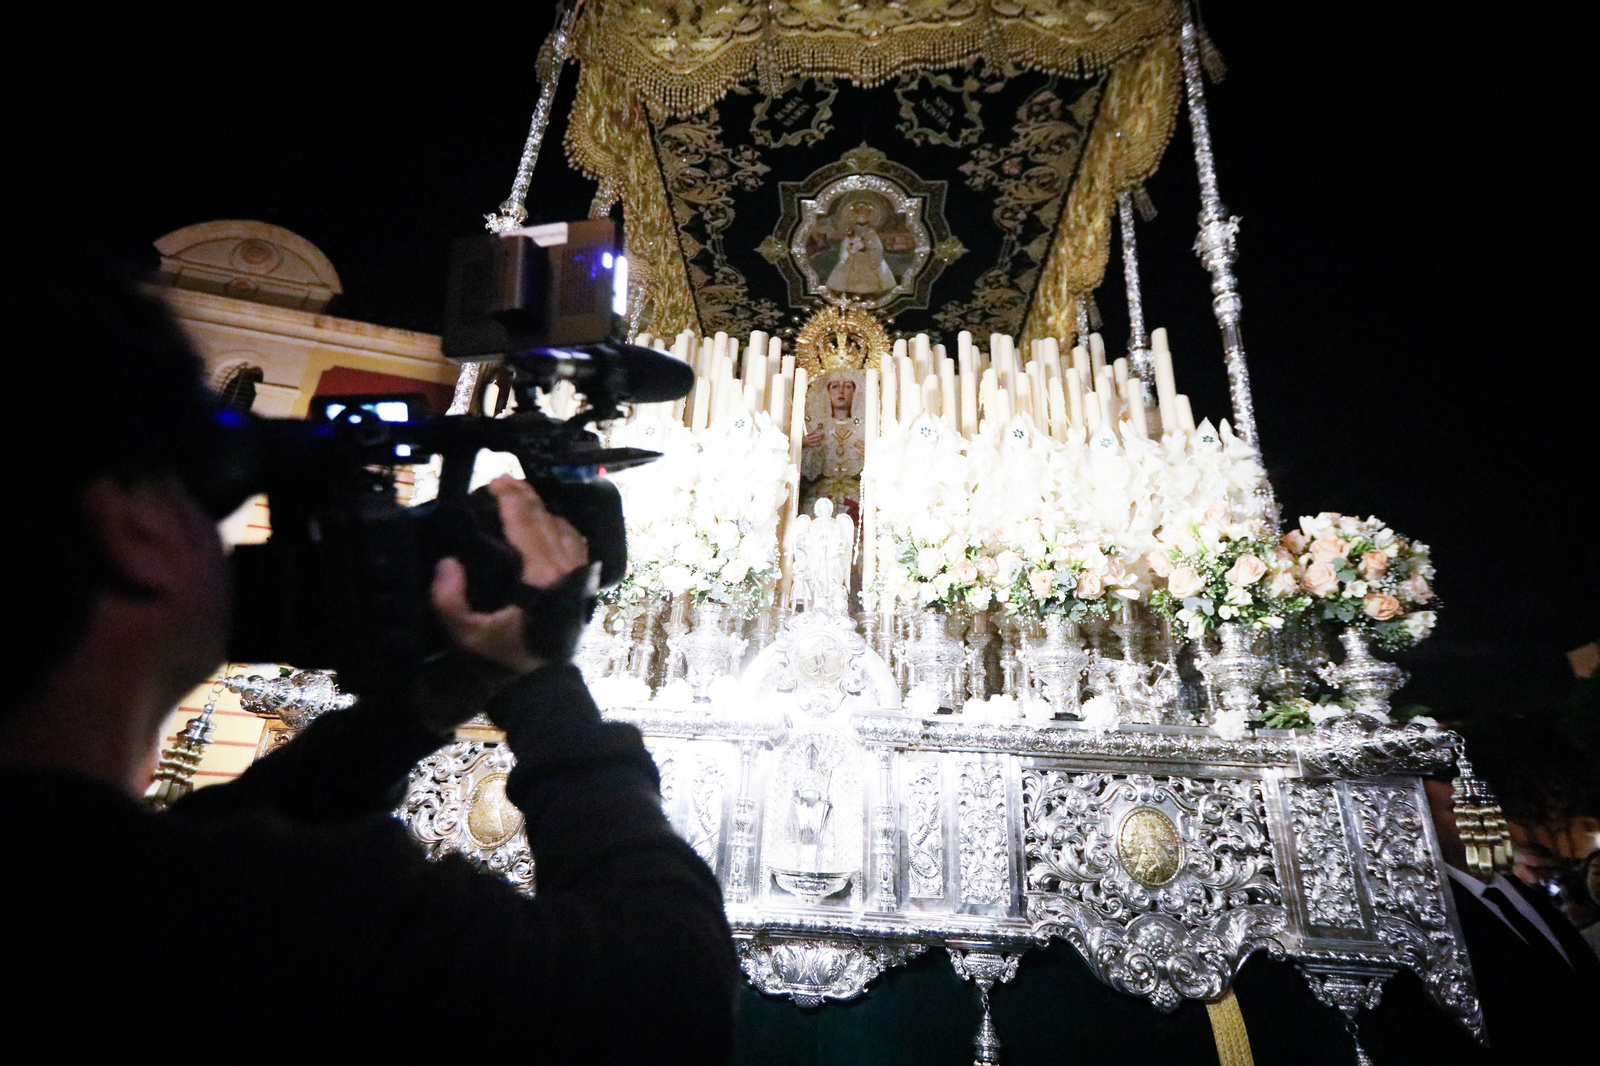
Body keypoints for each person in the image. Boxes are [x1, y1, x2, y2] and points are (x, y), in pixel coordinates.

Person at [0, 232, 737, 1057]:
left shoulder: (67, 892)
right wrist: (539, 679)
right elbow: (668, 995)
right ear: (130, 527)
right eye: (205, 497)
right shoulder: (245, 918)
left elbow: (203, 837)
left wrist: (430, 702)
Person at [1423, 777, 1600, 1050]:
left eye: (1484, 804)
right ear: (1424, 820)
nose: (1480, 816)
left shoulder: (1527, 894)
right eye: (1458, 808)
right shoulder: (1434, 917)